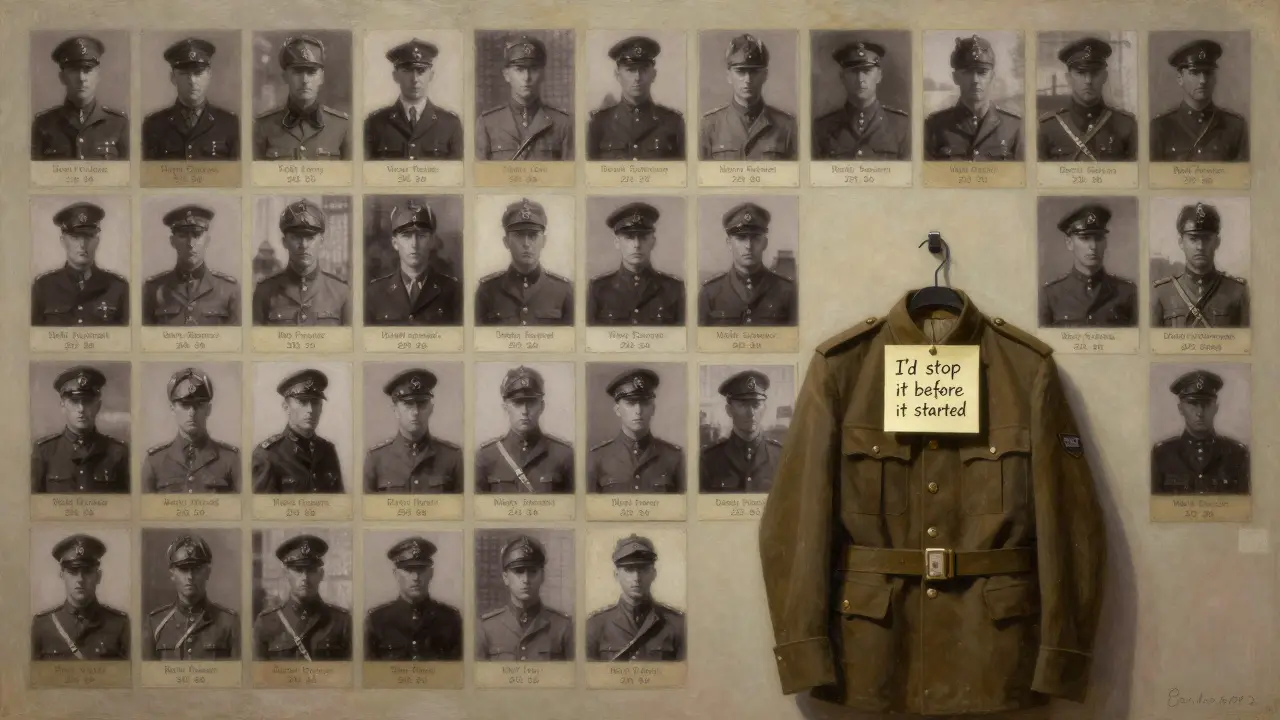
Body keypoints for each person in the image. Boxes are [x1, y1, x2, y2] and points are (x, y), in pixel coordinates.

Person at [474, 198, 573, 326]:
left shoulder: (563, 290)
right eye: (519, 235)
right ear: (506, 242)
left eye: (533, 235)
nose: (526, 244)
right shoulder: (487, 290)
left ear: (544, 241)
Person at [475, 366, 574, 494]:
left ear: (541, 406)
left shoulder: (564, 455)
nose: (525, 411)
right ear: (505, 407)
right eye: (517, 403)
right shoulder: (486, 456)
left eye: (531, 403)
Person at [585, 535, 685, 662]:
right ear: (616, 575)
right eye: (629, 570)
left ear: (654, 574)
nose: (636, 578)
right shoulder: (595, 625)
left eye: (643, 570)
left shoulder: (677, 624)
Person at [32, 366, 129, 494]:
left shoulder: (118, 452)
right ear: (63, 405)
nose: (81, 409)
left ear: (98, 406)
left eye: (88, 402)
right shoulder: (45, 451)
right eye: (74, 402)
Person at [1037, 36, 1137, 161]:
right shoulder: (1048, 127)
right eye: (1080, 73)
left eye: (1094, 73)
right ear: (1068, 78)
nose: (1088, 81)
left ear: (1105, 77)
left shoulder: (1125, 125)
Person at [253, 534, 351, 660]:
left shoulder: (342, 622)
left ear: (321, 574)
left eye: (311, 570)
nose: (305, 578)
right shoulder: (266, 623)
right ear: (286, 574)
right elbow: (260, 676)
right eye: (298, 570)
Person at [252, 199, 350, 326]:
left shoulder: (341, 292)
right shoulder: (265, 292)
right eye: (295, 237)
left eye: (310, 238)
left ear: (321, 241)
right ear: (284, 242)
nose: (303, 245)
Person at [923, 35, 1022, 161]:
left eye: (982, 72)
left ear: (992, 77)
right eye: (967, 73)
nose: (975, 80)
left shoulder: (1014, 127)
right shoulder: (934, 127)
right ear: (956, 78)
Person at [699, 34, 797, 160]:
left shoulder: (787, 126)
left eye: (754, 72)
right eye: (740, 72)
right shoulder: (709, 126)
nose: (748, 80)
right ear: (728, 76)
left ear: (765, 75)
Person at [365, 198, 461, 326]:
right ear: (395, 243)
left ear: (432, 241)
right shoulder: (374, 293)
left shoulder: (453, 291)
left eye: (421, 236)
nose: (414, 244)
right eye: (406, 236)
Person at [31, 201, 129, 327]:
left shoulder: (118, 287)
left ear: (97, 241)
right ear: (63, 241)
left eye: (88, 237)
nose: (82, 245)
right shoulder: (43, 287)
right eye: (75, 237)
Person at [1151, 370, 1249, 495]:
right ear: (1180, 408)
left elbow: (1244, 508)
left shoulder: (1237, 454)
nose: (1200, 413)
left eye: (1206, 404)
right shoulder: (1162, 454)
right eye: (1193, 404)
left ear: (1215, 408)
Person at [1151, 202, 1249, 328]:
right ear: (1181, 242)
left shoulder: (1237, 292)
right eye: (1193, 239)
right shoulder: (1162, 293)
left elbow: (1246, 344)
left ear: (1217, 242)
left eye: (1207, 239)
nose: (1200, 247)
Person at [32, 534, 129, 660]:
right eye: (73, 572)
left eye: (87, 572)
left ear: (98, 576)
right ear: (62, 575)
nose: (80, 580)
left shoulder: (120, 625)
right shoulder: (43, 625)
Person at [364, 368, 462, 494]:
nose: (415, 412)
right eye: (408, 404)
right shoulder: (376, 459)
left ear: (431, 408)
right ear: (395, 409)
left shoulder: (452, 457)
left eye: (422, 404)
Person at [697, 202, 796, 326]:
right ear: (729, 243)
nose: (749, 246)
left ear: (765, 243)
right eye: (741, 238)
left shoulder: (788, 291)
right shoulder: (710, 293)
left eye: (755, 238)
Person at [1039, 203, 1137, 327]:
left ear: (1105, 243)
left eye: (1099, 238)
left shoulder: (1128, 293)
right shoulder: (1050, 295)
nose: (1093, 246)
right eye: (1085, 238)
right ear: (1069, 243)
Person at [365, 536, 463, 661]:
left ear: (431, 573)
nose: (416, 577)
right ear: (396, 574)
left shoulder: (450, 619)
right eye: (409, 570)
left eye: (421, 570)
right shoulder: (377, 620)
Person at [142, 534, 239, 660]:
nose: (190, 577)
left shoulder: (229, 623)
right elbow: (148, 676)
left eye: (196, 569)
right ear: (172, 574)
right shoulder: (155, 624)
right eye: (183, 569)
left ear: (207, 573)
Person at [31, 36, 129, 160]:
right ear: (62, 77)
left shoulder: (119, 124)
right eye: (74, 70)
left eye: (88, 70)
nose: (81, 78)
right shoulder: (43, 124)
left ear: (98, 76)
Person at [586, 36, 684, 160]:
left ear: (653, 75)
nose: (637, 77)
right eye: (630, 70)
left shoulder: (673, 122)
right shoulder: (599, 123)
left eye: (643, 70)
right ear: (618, 75)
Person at [476, 35, 573, 161]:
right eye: (519, 70)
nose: (527, 77)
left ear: (543, 74)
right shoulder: (487, 124)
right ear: (506, 75)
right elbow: (480, 177)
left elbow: (569, 177)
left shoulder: (563, 124)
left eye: (533, 69)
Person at [586, 201, 684, 326]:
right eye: (629, 238)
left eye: (643, 237)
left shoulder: (674, 289)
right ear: (617, 242)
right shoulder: (598, 289)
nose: (637, 245)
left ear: (653, 242)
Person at [476, 535, 573, 661]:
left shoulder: (563, 626)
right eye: (518, 571)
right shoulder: (487, 627)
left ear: (542, 576)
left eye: (532, 572)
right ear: (505, 577)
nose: (526, 580)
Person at [587, 368, 684, 494]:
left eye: (644, 403)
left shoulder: (674, 457)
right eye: (630, 403)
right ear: (617, 410)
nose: (638, 411)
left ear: (653, 409)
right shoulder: (597, 458)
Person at [364, 38, 463, 160]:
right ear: (395, 76)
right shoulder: (375, 123)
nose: (415, 79)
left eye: (421, 71)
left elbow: (456, 174)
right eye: (407, 71)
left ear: (431, 76)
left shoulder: (450, 124)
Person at [142, 37, 239, 160]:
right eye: (184, 74)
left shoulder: (230, 124)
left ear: (209, 75)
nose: (192, 81)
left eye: (198, 73)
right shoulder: (153, 125)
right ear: (173, 78)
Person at [253, 35, 349, 160]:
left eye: (311, 72)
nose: (304, 80)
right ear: (285, 77)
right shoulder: (263, 127)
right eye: (297, 72)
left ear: (321, 77)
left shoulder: (342, 126)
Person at [143, 369, 239, 493]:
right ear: (172, 409)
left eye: (199, 405)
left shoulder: (230, 459)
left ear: (208, 409)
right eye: (185, 405)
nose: (192, 413)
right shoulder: (155, 461)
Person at [1150, 39, 1248, 162]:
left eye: (1208, 73)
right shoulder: (1160, 128)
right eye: (1195, 73)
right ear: (1180, 79)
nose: (1203, 80)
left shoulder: (1236, 127)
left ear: (1215, 78)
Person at [142, 204, 240, 326]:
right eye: (183, 236)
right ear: (172, 241)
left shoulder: (229, 289)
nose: (190, 244)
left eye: (197, 235)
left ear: (207, 240)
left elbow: (234, 340)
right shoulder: (154, 289)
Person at [812, 39, 909, 160]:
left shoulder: (903, 127)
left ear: (879, 76)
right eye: (853, 72)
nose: (860, 79)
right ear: (842, 77)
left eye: (867, 71)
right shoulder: (821, 128)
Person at [252, 369, 344, 494]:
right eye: (303, 402)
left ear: (321, 407)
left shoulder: (327, 450)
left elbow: (339, 505)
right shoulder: (267, 454)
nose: (311, 410)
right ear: (286, 407)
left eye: (316, 402)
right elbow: (263, 510)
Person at [700, 370, 782, 493]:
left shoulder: (781, 456)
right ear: (729, 410)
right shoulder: (708, 459)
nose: (751, 413)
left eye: (756, 404)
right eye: (743, 405)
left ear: (764, 408)